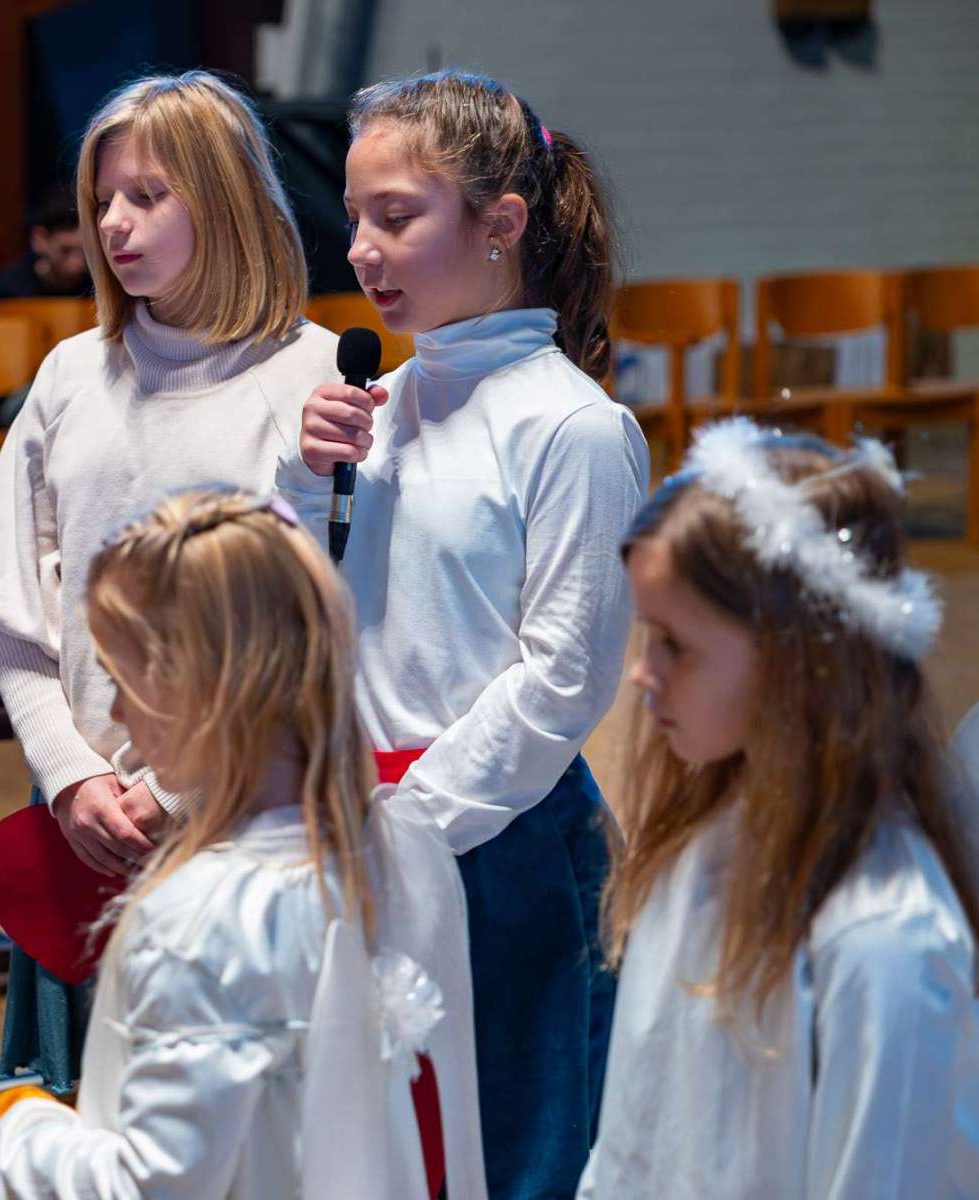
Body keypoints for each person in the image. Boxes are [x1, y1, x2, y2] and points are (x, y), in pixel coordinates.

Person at [292, 70, 647, 1198]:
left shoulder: (573, 425)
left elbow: (566, 676)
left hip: (498, 837)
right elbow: (320, 618)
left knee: (514, 1156)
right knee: (389, 1152)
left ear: (501, 224)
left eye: (397, 216)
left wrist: (419, 822)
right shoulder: (379, 407)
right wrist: (298, 485)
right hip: (362, 821)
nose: (362, 249)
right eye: (355, 216)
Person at [0, 70, 340, 1093]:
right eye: (102, 200)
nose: (111, 225)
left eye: (146, 195)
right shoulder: (70, 375)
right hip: (87, 820)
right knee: (88, 1102)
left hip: (244, 821)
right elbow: (9, 602)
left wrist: (179, 788)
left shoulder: (311, 378)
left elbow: (313, 621)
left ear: (223, 198)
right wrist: (69, 773)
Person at [0, 491, 482, 1199]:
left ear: (206, 692)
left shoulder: (200, 921)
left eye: (124, 683)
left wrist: (11, 1139)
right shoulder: (399, 846)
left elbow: (154, 1183)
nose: (117, 714)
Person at [580, 419, 979, 1197]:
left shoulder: (883, 939)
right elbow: (632, 1138)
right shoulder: (695, 846)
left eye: (675, 645)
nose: (641, 674)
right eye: (645, 636)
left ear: (797, 660)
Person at [0, 182, 89, 300]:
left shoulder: (97, 286)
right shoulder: (9, 290)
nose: (76, 265)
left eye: (85, 252)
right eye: (65, 251)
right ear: (40, 239)